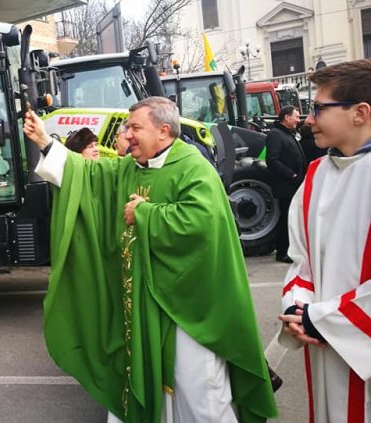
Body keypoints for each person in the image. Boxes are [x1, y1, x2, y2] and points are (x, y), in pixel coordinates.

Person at [23, 97, 277, 422]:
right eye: (128, 127)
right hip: (145, 305)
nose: (127, 135)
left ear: (163, 130)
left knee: (200, 394)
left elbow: (200, 222)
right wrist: (45, 142)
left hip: (190, 310)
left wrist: (144, 214)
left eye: (135, 128)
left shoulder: (192, 168)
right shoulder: (131, 167)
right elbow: (87, 173)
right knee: (155, 390)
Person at [278, 59, 371, 423]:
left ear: (359, 113)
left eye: (318, 108)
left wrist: (323, 318)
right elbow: (300, 260)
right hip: (321, 345)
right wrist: (298, 308)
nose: (308, 119)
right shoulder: (316, 175)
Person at [265, 105, 306, 263]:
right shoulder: (276, 134)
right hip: (286, 185)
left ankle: (288, 249)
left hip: (293, 184)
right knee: (286, 220)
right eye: (296, 116)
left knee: (290, 218)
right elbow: (272, 160)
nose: (298, 119)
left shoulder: (287, 134)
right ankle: (282, 252)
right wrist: (293, 174)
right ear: (287, 117)